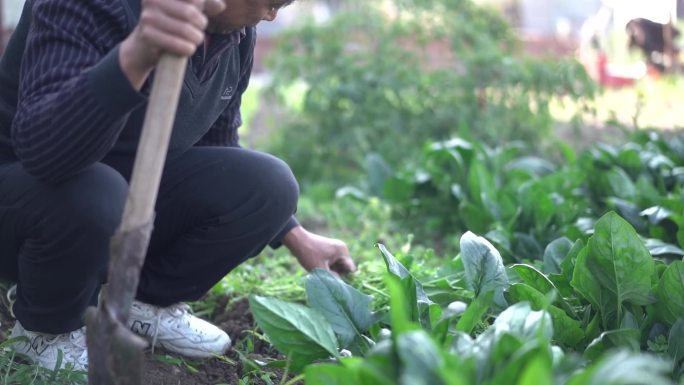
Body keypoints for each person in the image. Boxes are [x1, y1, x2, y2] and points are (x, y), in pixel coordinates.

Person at [0, 0, 356, 371]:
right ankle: (47, 329)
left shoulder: (233, 36)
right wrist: (135, 58)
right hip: (25, 198)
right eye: (271, 3)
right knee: (97, 193)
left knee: (269, 185)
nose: (270, 17)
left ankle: (137, 300)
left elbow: (216, 148)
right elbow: (45, 153)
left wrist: (295, 235)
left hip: (117, 200)